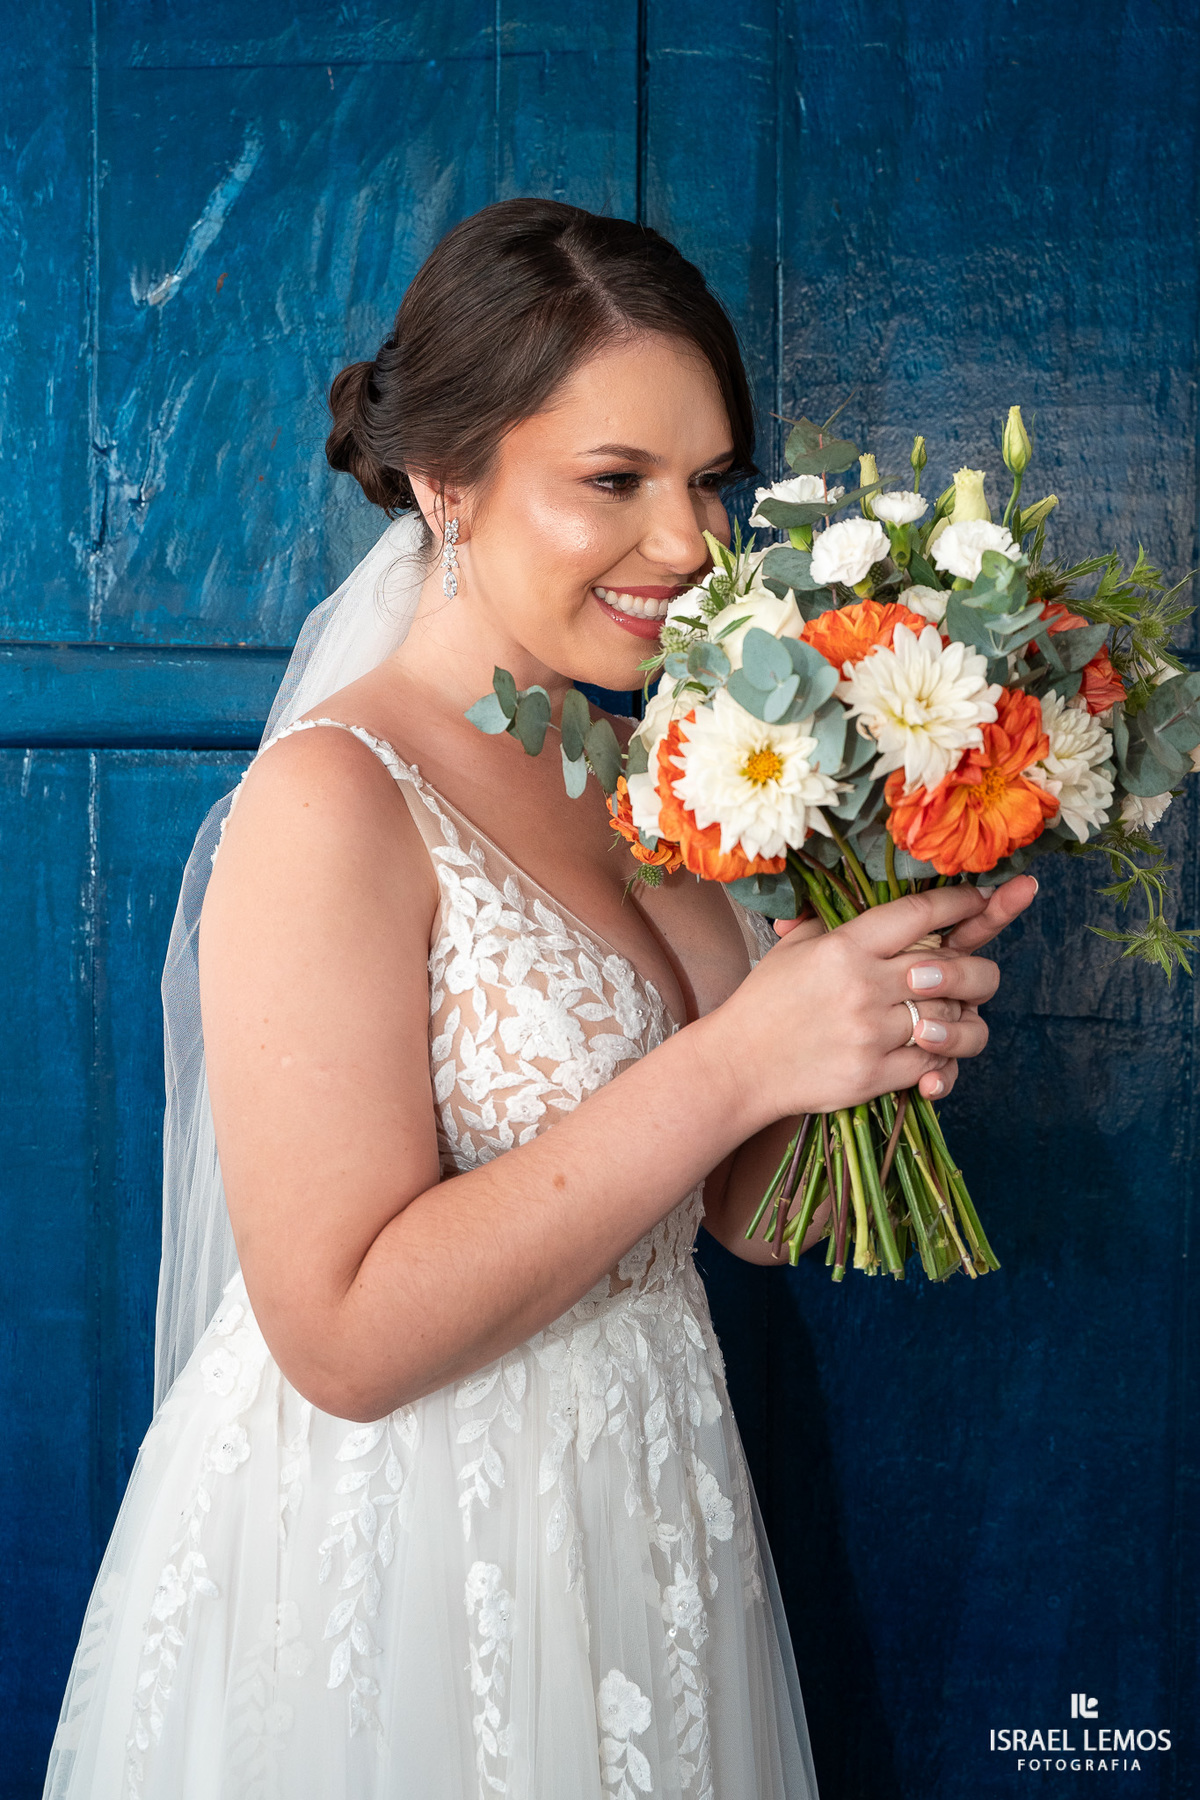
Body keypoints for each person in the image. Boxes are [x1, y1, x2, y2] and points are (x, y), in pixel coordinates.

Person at [44, 198, 1033, 1799]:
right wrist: (739, 1066)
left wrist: (872, 1020)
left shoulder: (648, 774)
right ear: (447, 483)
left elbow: (749, 1216)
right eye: (614, 483)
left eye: (708, 479)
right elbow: (345, 1338)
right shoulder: (333, 798)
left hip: (643, 1511)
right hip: (416, 1547)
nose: (690, 545)